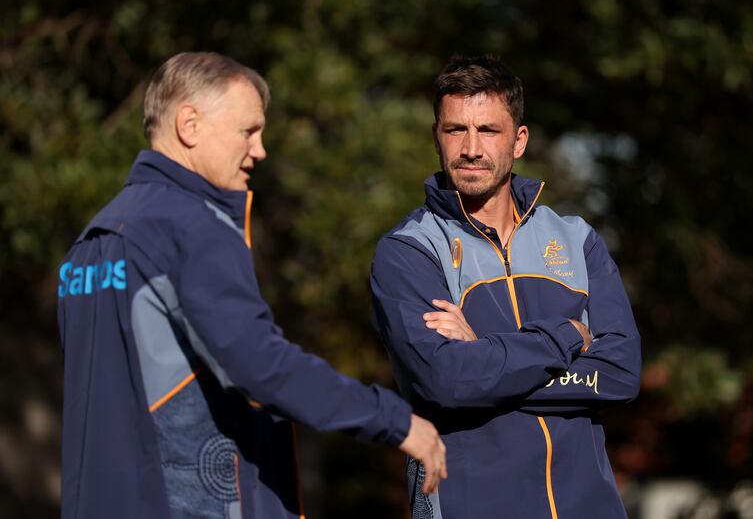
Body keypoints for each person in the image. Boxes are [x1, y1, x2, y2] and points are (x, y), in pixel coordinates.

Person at [57, 51, 446, 519]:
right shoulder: (191, 227)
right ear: (190, 125)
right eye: (249, 131)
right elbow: (262, 366)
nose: (260, 149)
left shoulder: (89, 241)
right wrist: (395, 420)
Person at [370, 55, 641, 518]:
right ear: (436, 137)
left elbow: (619, 375)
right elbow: (447, 381)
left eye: (489, 131)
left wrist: (484, 353)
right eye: (456, 130)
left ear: (518, 141)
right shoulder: (408, 251)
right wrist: (567, 337)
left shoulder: (576, 239)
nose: (471, 148)